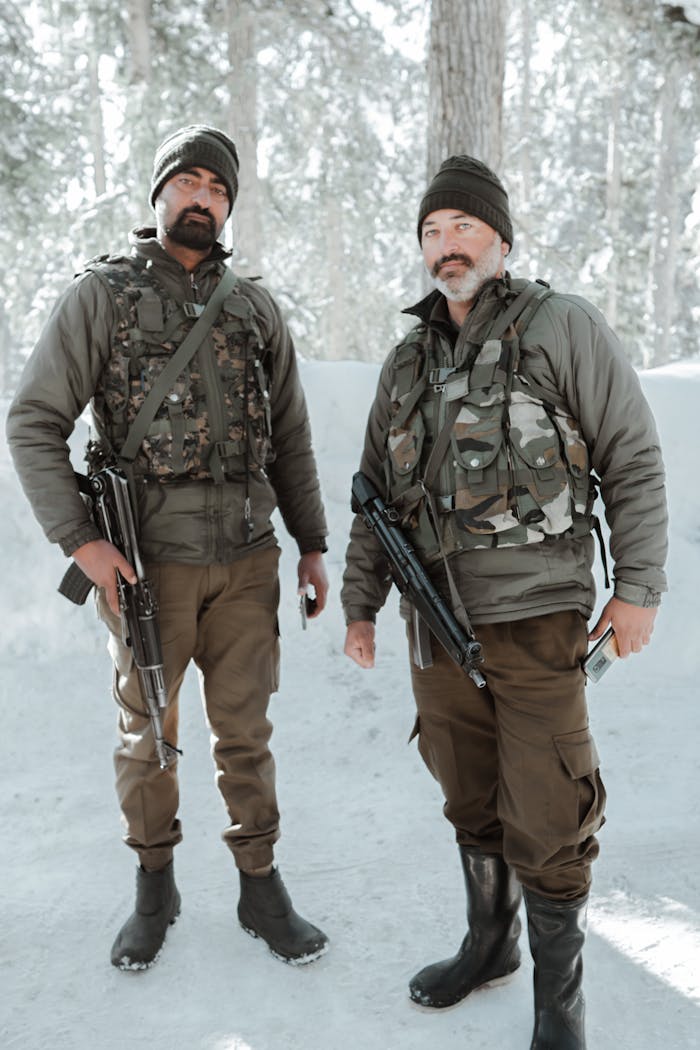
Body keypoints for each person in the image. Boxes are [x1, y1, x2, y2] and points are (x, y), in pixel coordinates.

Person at [341, 156, 667, 1048]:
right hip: (432, 625)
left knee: (549, 807)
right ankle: (491, 943)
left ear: (502, 240)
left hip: (538, 616)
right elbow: (375, 493)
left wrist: (638, 590)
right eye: (432, 232)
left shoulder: (560, 326)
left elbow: (631, 456)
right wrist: (361, 605)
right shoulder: (406, 361)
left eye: (464, 228)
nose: (448, 247)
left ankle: (561, 1008)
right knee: (466, 790)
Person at [7, 124, 330, 971]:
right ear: (157, 197)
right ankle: (155, 888)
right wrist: (82, 543)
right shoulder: (102, 297)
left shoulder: (255, 305)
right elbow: (35, 422)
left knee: (245, 733)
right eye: (187, 182)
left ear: (228, 209)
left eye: (219, 189)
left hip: (250, 559)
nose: (203, 198)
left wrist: (311, 544)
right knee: (147, 731)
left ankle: (260, 886)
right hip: (147, 566)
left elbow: (290, 434)